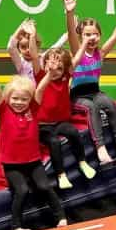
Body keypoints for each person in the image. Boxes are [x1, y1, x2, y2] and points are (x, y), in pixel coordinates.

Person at [0, 54, 67, 230]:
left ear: (30, 100)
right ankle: (16, 226)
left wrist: (49, 73)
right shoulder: (4, 109)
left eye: (23, 99)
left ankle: (61, 218)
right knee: (22, 190)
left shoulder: (33, 108)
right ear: (8, 98)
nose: (19, 103)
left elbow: (40, 89)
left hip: (33, 161)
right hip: (11, 164)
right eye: (15, 99)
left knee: (45, 186)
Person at [27, 20, 96, 189]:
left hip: (61, 123)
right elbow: (35, 55)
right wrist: (32, 35)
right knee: (54, 142)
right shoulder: (41, 75)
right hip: (42, 126)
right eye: (51, 65)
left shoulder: (66, 76)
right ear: (45, 66)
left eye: (59, 67)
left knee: (73, 132)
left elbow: (77, 59)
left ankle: (82, 162)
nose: (55, 70)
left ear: (64, 68)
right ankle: (61, 175)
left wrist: (84, 42)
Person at [64, 0, 116, 164]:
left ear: (99, 36)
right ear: (81, 36)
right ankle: (100, 148)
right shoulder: (78, 51)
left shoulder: (100, 53)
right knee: (91, 108)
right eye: (87, 34)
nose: (92, 38)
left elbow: (115, 36)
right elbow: (71, 32)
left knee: (111, 104)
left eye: (95, 34)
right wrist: (69, 13)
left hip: (95, 92)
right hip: (77, 96)